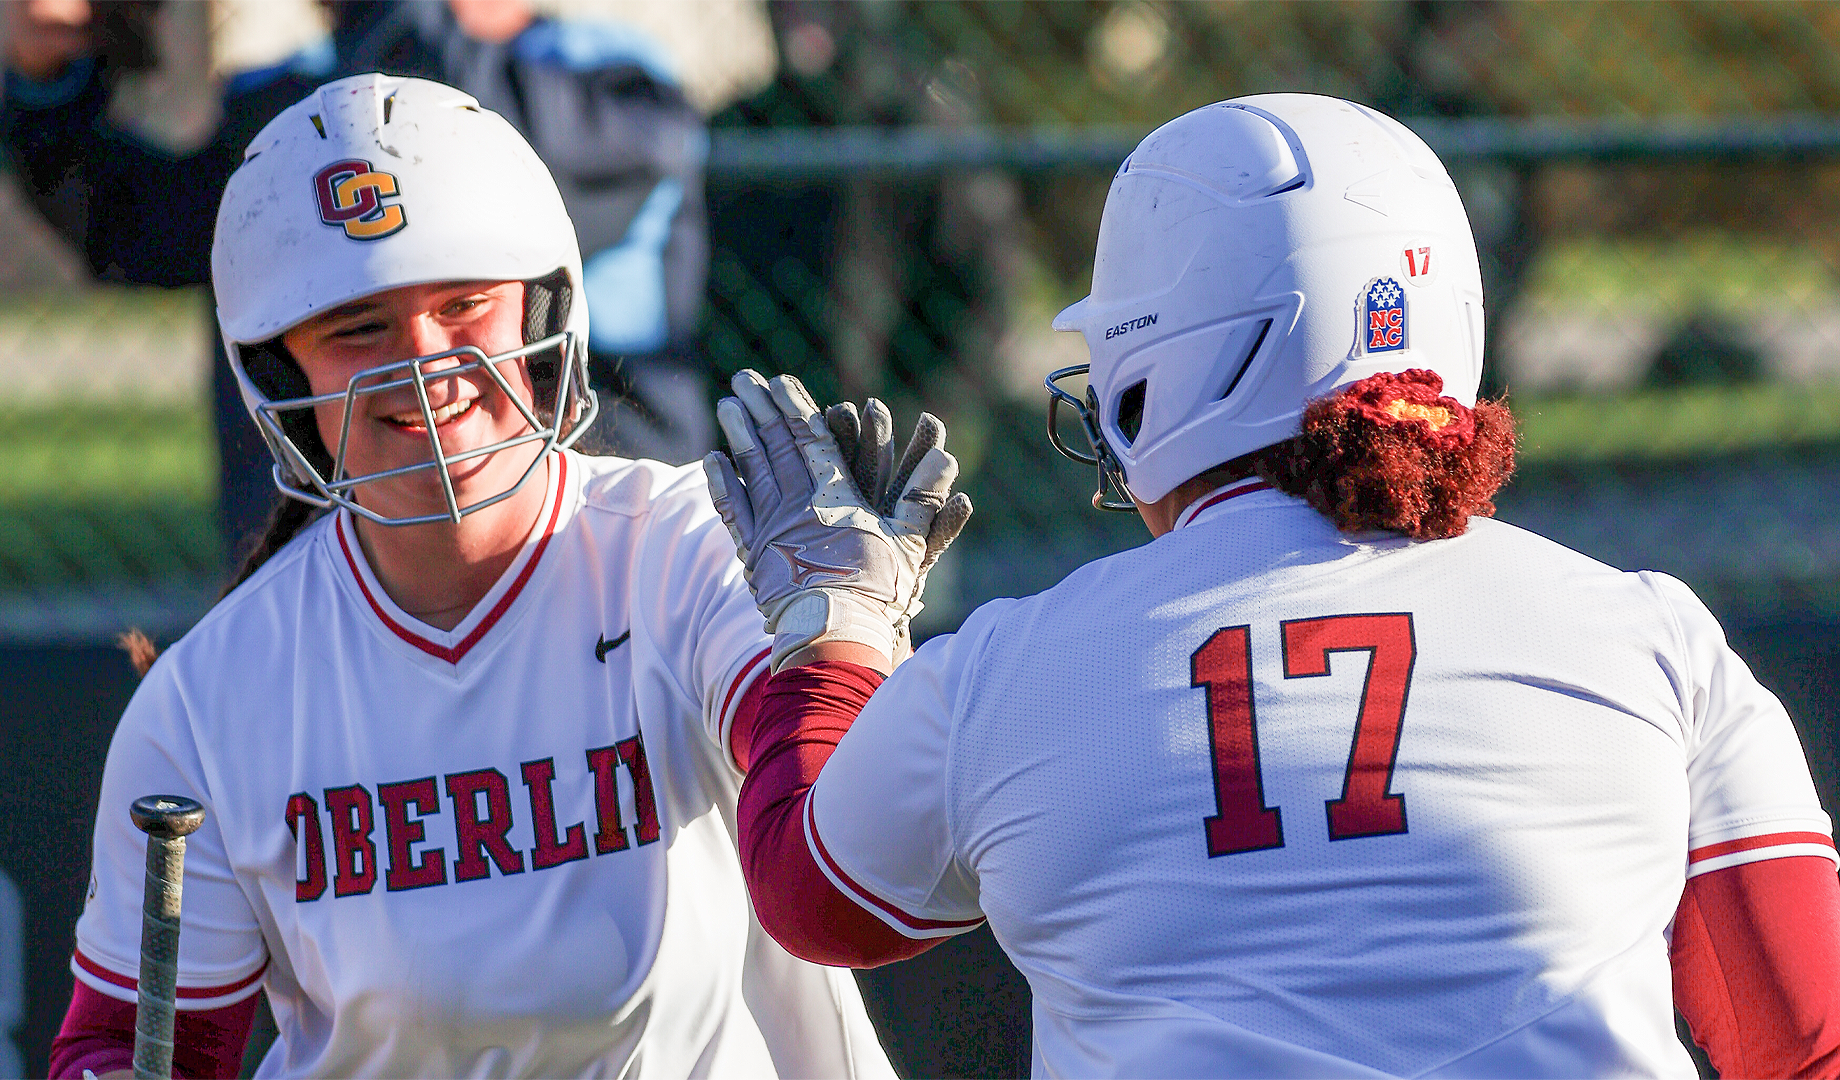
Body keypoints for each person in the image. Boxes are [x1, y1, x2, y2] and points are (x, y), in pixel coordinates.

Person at [705, 94, 1840, 1078]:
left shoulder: (1008, 677)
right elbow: (1801, 1034)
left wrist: (834, 626)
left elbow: (812, 893)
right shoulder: (1648, 635)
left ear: (1158, 369)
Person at [47, 74, 894, 1079]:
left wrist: (839, 637)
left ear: (541, 312)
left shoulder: (680, 550)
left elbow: (846, 872)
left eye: (464, 305)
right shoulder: (209, 700)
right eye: (358, 328)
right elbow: (131, 1043)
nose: (424, 363)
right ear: (281, 375)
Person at [0, 0, 715, 564]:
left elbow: (441, 144)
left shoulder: (612, 80)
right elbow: (137, 232)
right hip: (332, 571)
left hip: (591, 557)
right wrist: (55, 83)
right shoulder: (296, 101)